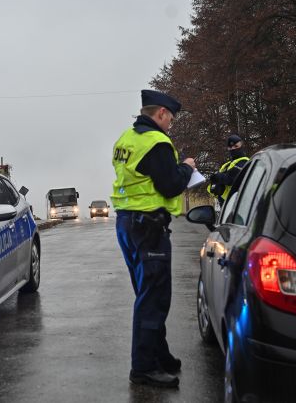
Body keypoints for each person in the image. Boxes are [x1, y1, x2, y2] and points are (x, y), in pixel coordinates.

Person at [111, 89, 196, 388]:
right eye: (170, 118)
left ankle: (160, 355)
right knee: (154, 298)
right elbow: (171, 185)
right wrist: (187, 167)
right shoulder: (156, 142)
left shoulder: (126, 139)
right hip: (149, 227)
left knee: (146, 294)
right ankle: (144, 368)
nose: (170, 124)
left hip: (127, 224)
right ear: (160, 113)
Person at [207, 135, 249, 204]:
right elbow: (213, 186)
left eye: (236, 146)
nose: (233, 149)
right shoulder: (226, 165)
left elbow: (231, 179)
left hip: (238, 203)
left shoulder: (244, 162)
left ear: (241, 146)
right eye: (230, 147)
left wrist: (218, 177)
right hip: (226, 205)